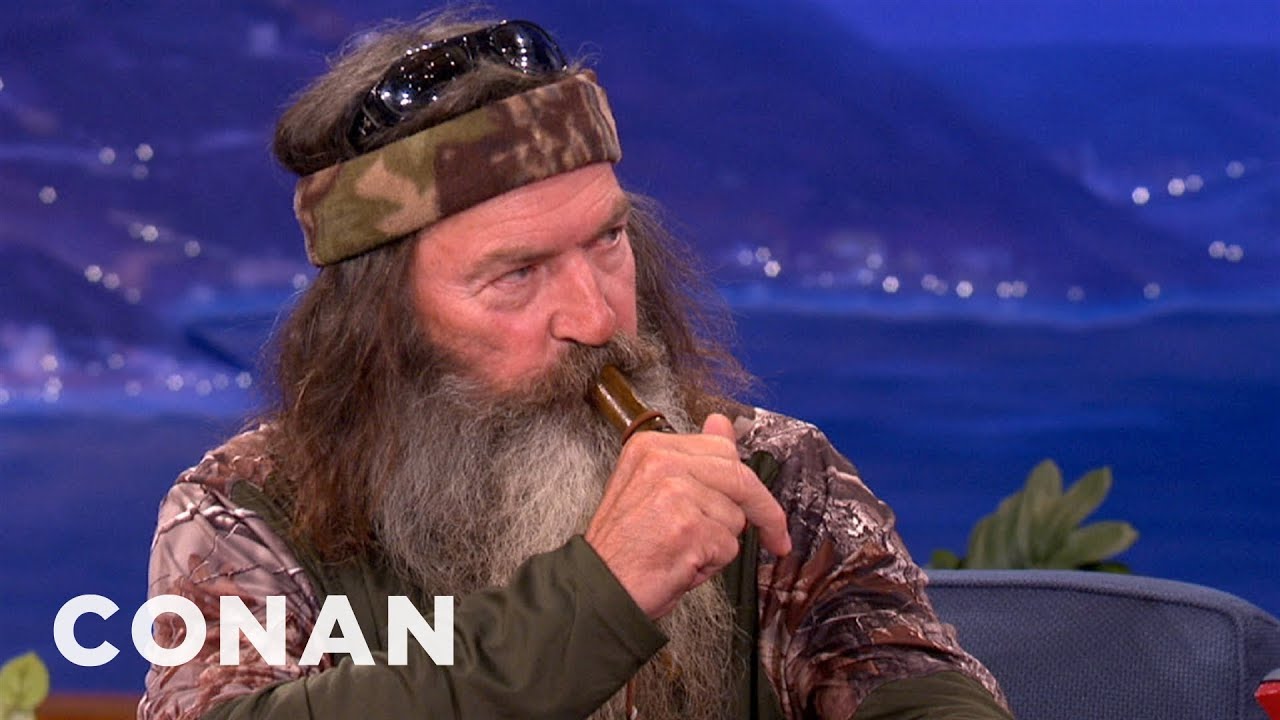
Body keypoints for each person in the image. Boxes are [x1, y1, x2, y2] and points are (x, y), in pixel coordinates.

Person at [138, 11, 1011, 720]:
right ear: (385, 326)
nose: (597, 319)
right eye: (517, 275)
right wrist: (597, 598)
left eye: (608, 240)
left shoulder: (771, 475)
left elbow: (923, 695)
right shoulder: (248, 510)